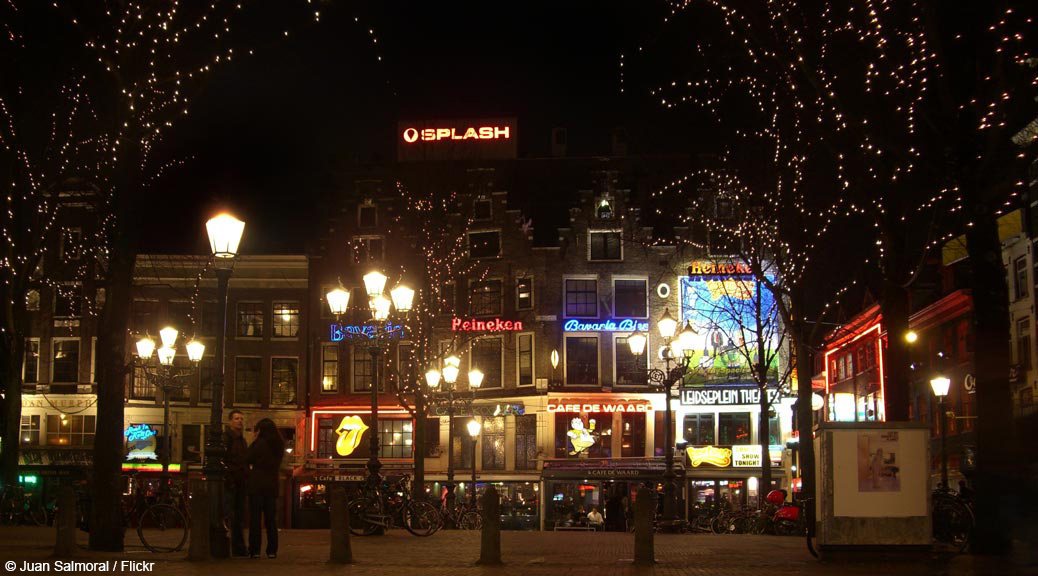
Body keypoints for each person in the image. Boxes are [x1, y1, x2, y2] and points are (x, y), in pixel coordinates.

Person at [246, 418, 284, 559]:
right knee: (271, 520)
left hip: (257, 484)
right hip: (272, 485)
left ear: (260, 430)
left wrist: (254, 440)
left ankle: (255, 550)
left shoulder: (259, 444)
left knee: (255, 520)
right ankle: (272, 550)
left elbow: (247, 458)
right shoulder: (278, 445)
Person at [222, 410, 248, 556]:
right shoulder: (227, 439)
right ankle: (235, 546)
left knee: (239, 515)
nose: (240, 421)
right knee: (229, 512)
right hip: (232, 480)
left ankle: (238, 546)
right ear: (230, 422)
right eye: (237, 418)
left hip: (239, 480)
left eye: (241, 419)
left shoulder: (241, 440)